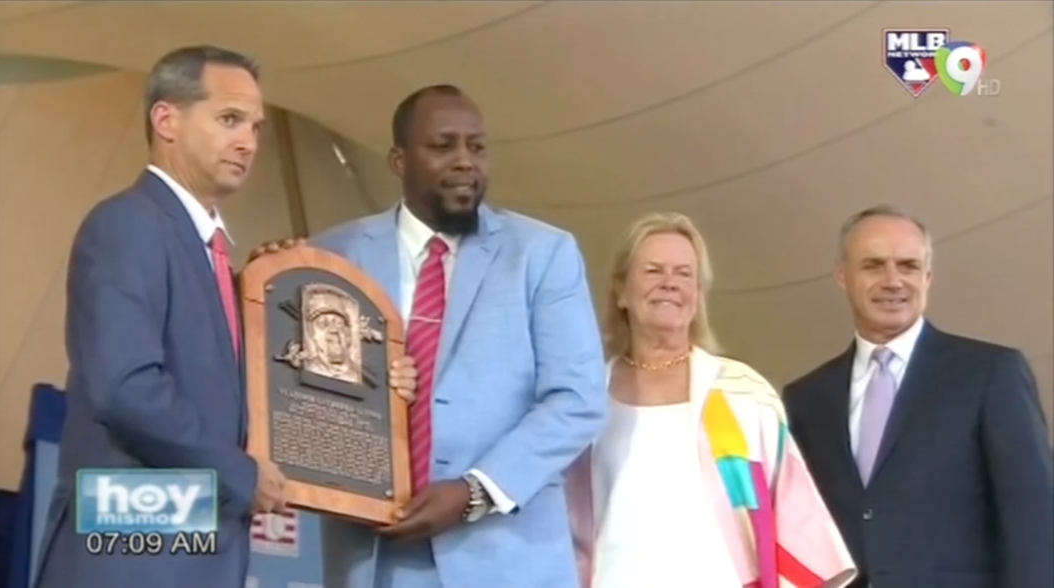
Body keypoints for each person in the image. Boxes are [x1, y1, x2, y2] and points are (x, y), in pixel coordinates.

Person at [30, 46, 418, 588]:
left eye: (256, 127)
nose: (248, 142)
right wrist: (240, 473)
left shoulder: (221, 264)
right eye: (230, 119)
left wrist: (375, 380)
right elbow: (125, 387)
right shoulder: (128, 224)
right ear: (166, 119)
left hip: (200, 551)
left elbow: (249, 394)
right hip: (130, 554)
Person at [310, 84, 608, 588]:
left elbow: (577, 399)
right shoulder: (333, 252)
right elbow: (300, 389)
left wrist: (475, 491)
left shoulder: (542, 254)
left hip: (507, 559)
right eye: (443, 145)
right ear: (399, 160)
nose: (465, 160)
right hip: (373, 559)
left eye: (477, 146)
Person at [565, 212, 857, 588]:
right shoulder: (583, 400)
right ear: (620, 290)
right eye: (653, 271)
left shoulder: (744, 394)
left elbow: (794, 516)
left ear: (698, 295)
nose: (670, 283)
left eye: (684, 274)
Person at [783, 204, 1054, 588]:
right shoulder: (807, 398)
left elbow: (1034, 518)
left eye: (908, 266)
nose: (893, 281)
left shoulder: (991, 374)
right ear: (842, 275)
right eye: (874, 266)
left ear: (928, 277)